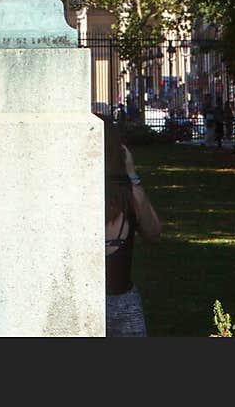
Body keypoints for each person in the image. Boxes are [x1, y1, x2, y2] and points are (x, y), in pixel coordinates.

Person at [104, 120, 161, 336]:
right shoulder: (130, 196)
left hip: (96, 302)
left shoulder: (71, 195)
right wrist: (133, 176)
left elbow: (154, 233)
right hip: (124, 305)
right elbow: (154, 233)